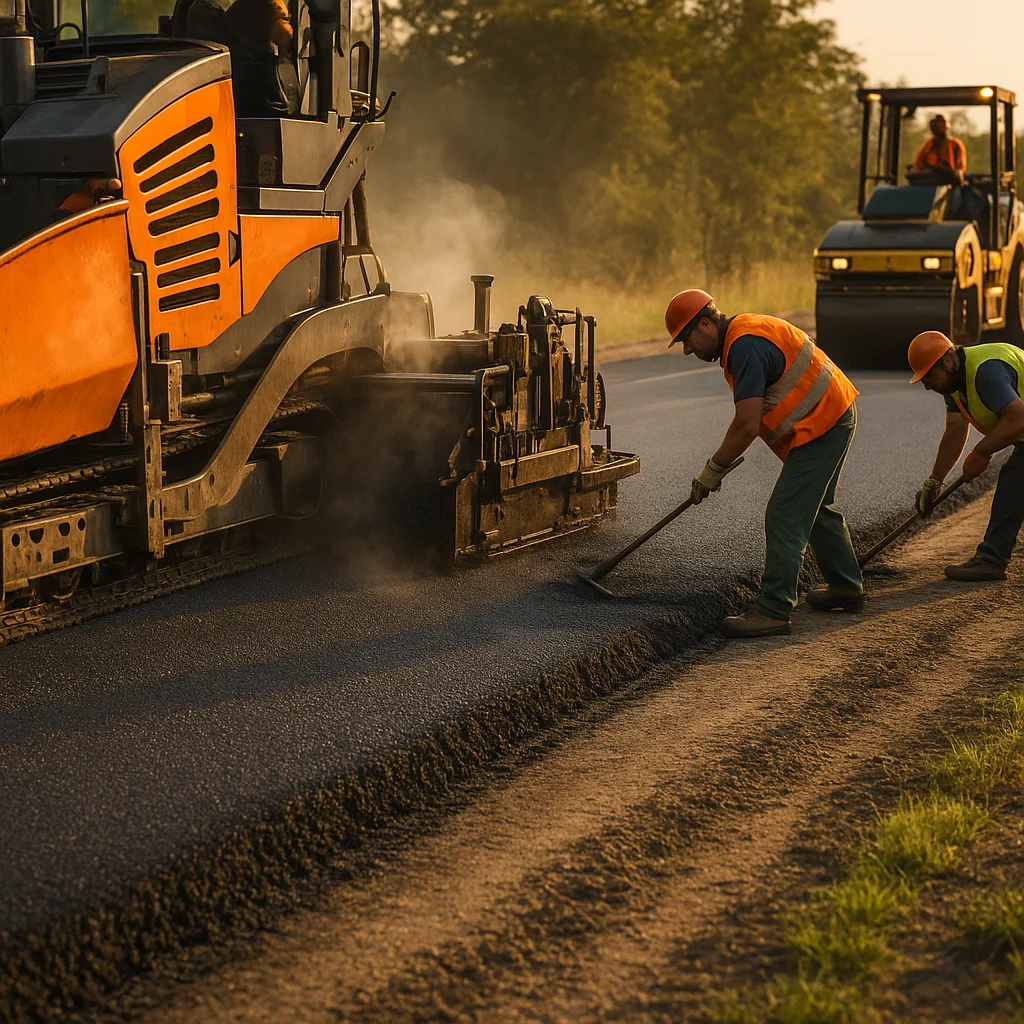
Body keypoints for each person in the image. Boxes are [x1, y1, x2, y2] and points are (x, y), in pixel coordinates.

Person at [666, 290, 862, 638]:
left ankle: (773, 609)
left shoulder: (745, 346)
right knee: (814, 507)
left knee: (785, 513)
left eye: (687, 339)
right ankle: (846, 586)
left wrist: (713, 469)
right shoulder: (741, 337)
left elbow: (746, 424)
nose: (687, 349)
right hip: (833, 413)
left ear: (707, 323)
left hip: (824, 422)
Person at [908, 331, 1024, 580]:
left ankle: (992, 560)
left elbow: (1018, 416)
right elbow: (955, 429)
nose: (927, 385)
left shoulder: (986, 372)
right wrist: (935, 480)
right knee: (1014, 483)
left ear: (947, 362)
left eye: (929, 376)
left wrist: (981, 452)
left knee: (1014, 481)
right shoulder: (955, 384)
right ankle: (992, 559)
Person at [912, 115, 966, 185]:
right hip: (931, 178)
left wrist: (956, 173)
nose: (940, 126)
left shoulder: (955, 145)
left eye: (942, 123)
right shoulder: (929, 145)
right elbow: (918, 164)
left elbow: (960, 169)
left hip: (949, 179)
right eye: (938, 124)